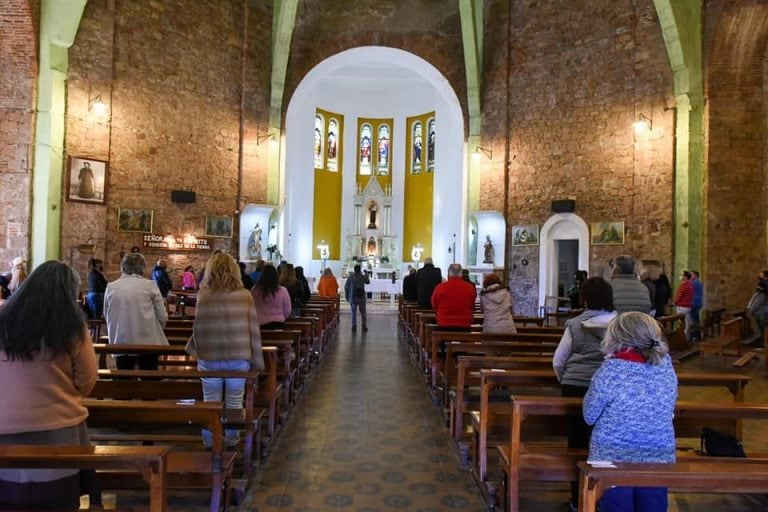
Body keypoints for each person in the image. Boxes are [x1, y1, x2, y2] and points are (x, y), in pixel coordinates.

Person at [0, 261, 97, 510]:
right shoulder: (72, 329)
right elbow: (86, 382)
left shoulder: (3, 322)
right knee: (56, 501)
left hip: (4, 428)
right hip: (58, 430)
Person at [583, 312, 678, 512]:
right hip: (657, 457)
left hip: (612, 459)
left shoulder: (611, 371)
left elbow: (589, 416)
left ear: (616, 337)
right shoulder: (666, 368)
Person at [187, 253, 264, 448]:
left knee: (210, 401)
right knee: (234, 401)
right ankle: (230, 442)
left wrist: (197, 349)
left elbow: (199, 327)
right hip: (238, 356)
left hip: (210, 356)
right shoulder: (244, 295)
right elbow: (252, 328)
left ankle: (210, 442)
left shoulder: (204, 295)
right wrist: (256, 358)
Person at [552, 277, 616, 511]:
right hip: (610, 388)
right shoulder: (621, 326)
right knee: (607, 441)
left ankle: (577, 498)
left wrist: (566, 381)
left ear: (584, 298)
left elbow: (559, 361)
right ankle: (604, 495)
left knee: (576, 440)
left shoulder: (574, 324)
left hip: (576, 385)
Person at [104, 253, 169, 369]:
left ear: (122, 267)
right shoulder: (150, 285)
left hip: (121, 340)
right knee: (148, 378)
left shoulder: (111, 287)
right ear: (143, 267)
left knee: (125, 377)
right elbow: (162, 316)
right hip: (148, 341)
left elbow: (106, 313)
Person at [431, 263, 476, 333]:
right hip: (464, 325)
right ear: (461, 273)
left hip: (444, 324)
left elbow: (434, 305)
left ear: (448, 273)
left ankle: (441, 344)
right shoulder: (470, 288)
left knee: (441, 342)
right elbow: (471, 305)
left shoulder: (439, 288)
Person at [251, 264, 292, 330]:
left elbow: (251, 306)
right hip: (278, 323)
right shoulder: (282, 290)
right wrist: (281, 316)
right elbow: (287, 309)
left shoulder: (255, 290)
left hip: (259, 323)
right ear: (276, 276)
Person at [344, 264, 370, 332]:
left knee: (353, 312)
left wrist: (347, 296)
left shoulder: (351, 277)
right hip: (361, 297)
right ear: (360, 269)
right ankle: (364, 326)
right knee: (363, 312)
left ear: (354, 270)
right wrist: (366, 274)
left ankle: (354, 326)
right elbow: (367, 282)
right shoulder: (362, 276)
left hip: (353, 297)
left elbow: (346, 287)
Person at [674, 270, 694, 339]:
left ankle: (682, 339)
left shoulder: (683, 285)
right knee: (687, 323)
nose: (680, 276)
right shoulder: (690, 284)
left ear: (685, 277)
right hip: (688, 306)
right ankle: (687, 338)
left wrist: (675, 302)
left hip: (682, 306)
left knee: (682, 324)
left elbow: (679, 296)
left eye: (682, 275)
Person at [690, 270, 704, 340]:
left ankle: (695, 334)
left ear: (695, 275)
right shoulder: (699, 282)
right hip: (699, 302)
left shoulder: (693, 283)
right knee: (696, 318)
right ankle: (697, 334)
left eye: (691, 275)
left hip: (693, 302)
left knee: (693, 319)